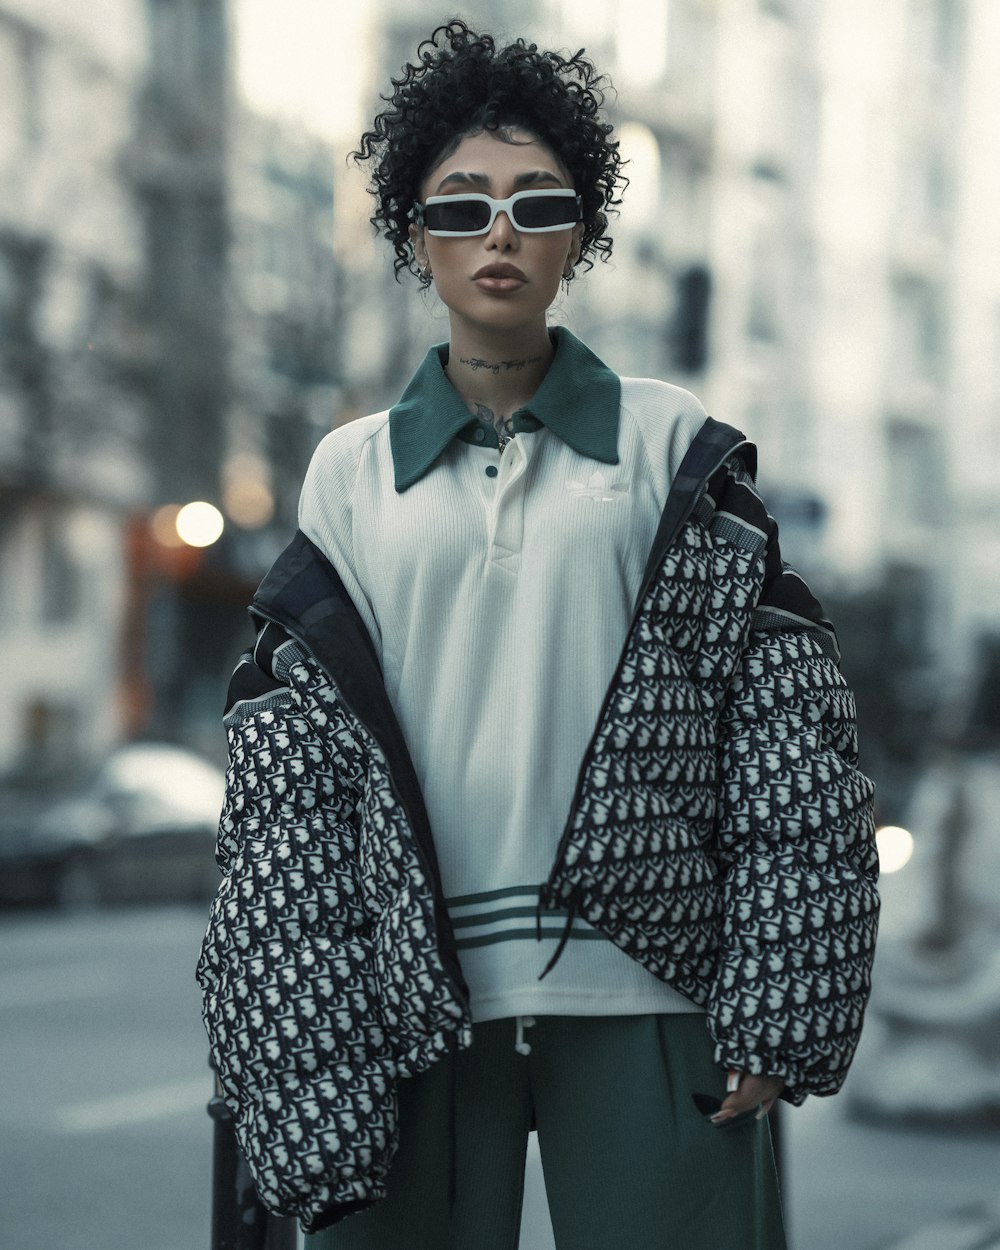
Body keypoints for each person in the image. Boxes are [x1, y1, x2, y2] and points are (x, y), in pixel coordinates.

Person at [198, 20, 879, 1250]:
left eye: (534, 202)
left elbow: (787, 743)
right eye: (459, 209)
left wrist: (780, 1004)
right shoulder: (346, 472)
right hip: (409, 999)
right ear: (416, 236)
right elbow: (292, 785)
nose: (497, 233)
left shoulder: (675, 450)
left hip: (649, 991)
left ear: (581, 231)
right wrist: (292, 1028)